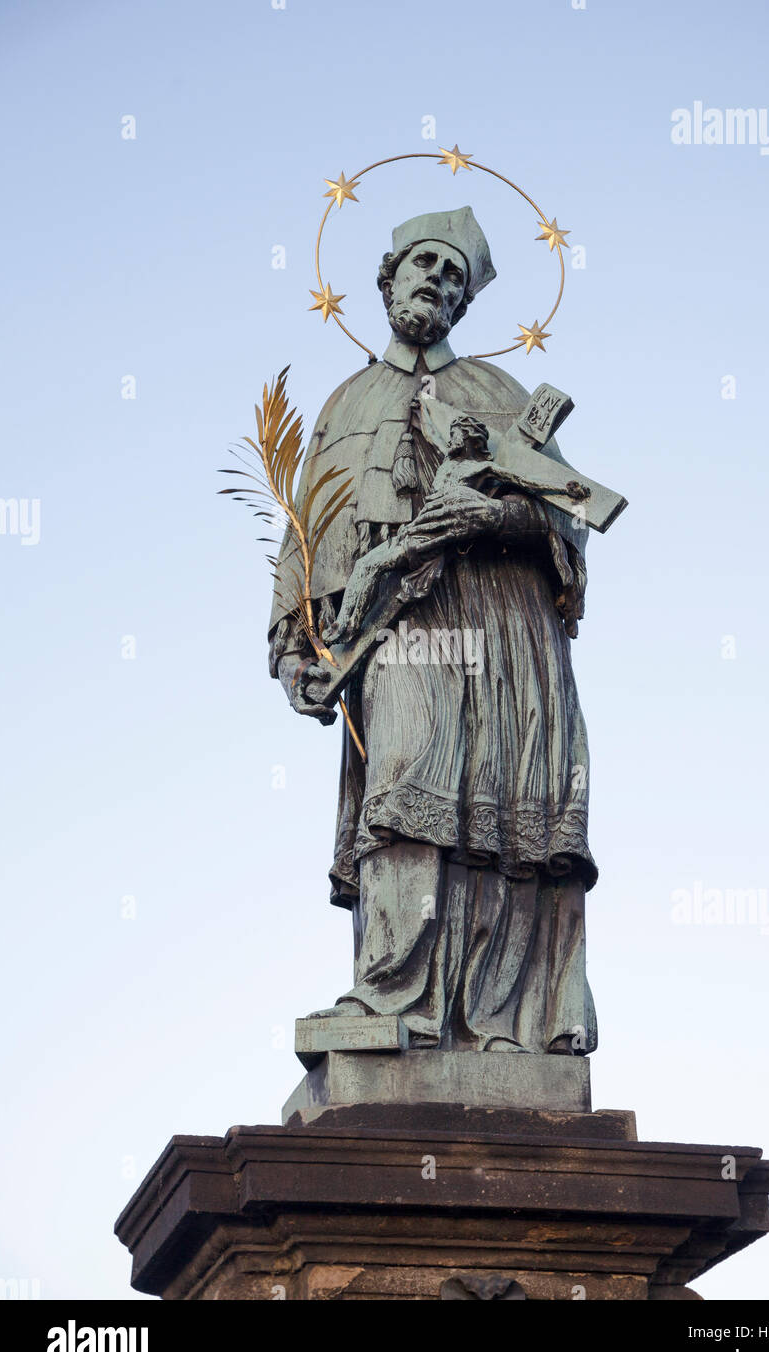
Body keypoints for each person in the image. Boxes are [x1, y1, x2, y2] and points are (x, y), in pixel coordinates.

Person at [269, 206, 597, 1054]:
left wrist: (487, 519)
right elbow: (305, 534)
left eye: (454, 277)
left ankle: (508, 1023)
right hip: (393, 627)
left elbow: (570, 521)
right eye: (423, 265)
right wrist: (292, 647)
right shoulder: (348, 402)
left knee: (505, 807)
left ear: (465, 303)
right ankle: (393, 998)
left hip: (500, 624)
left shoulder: (500, 396)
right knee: (408, 782)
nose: (436, 284)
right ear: (387, 279)